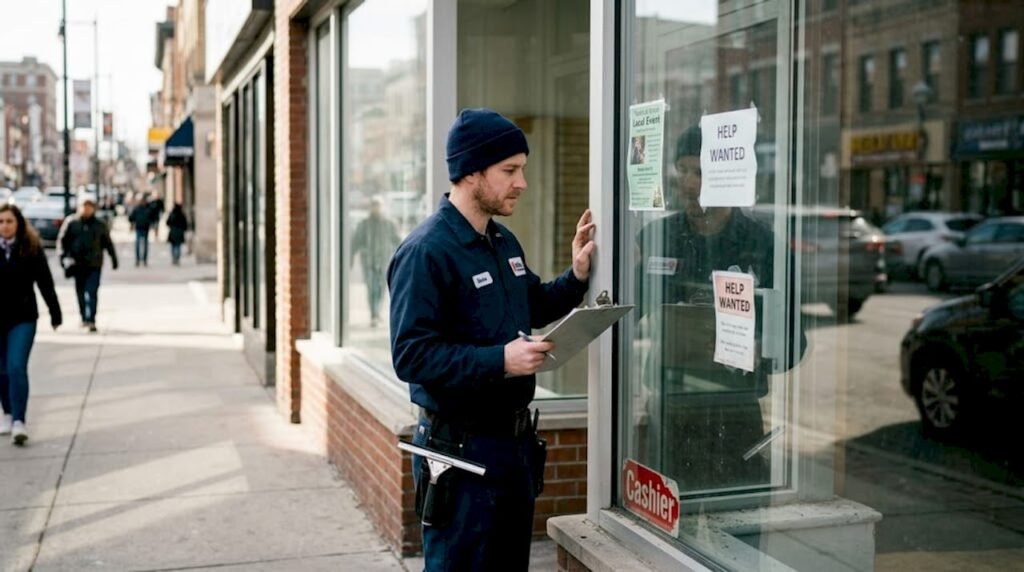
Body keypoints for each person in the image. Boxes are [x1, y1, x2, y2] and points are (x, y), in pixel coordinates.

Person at [388, 108, 596, 571]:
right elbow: (411, 355)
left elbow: (534, 304)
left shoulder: (503, 243)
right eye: (510, 170)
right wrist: (498, 360)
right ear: (471, 172)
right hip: (459, 454)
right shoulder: (426, 251)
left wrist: (578, 274)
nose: (521, 182)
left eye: (521, 168)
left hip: (513, 450)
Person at [635, 126, 780, 494]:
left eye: (698, 172)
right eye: (682, 171)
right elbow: (623, 314)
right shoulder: (657, 239)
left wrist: (763, 349)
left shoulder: (761, 245)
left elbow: (792, 339)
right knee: (664, 534)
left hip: (734, 410)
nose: (687, 184)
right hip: (671, 408)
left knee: (739, 525)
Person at [0, 204, 62, 445]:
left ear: (18, 224)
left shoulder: (31, 249)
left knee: (16, 366)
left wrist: (55, 313)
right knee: (2, 371)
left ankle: (19, 421)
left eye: (9, 221)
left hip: (23, 319)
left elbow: (45, 283)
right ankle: (6, 412)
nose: (4, 226)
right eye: (1, 221)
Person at [58, 194, 118, 332]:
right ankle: (83, 317)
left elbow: (108, 243)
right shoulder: (71, 223)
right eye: (84, 206)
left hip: (94, 264)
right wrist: (63, 257)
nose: (86, 209)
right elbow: (62, 241)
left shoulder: (100, 225)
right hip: (77, 264)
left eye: (89, 206)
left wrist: (114, 259)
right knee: (80, 292)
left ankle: (91, 320)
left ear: (93, 208)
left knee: (92, 292)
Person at [351, 198, 401, 327]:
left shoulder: (389, 224)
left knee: (381, 289)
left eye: (378, 206)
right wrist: (352, 258)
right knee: (372, 288)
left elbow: (398, 242)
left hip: (384, 262)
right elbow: (355, 242)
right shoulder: (364, 224)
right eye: (374, 206)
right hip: (369, 263)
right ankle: (374, 314)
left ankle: (377, 313)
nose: (376, 208)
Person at [129, 195, 152, 267]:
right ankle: (138, 260)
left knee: (144, 245)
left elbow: (152, 217)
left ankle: (144, 260)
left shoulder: (148, 209)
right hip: (139, 228)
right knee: (138, 245)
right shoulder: (137, 209)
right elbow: (131, 217)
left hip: (145, 229)